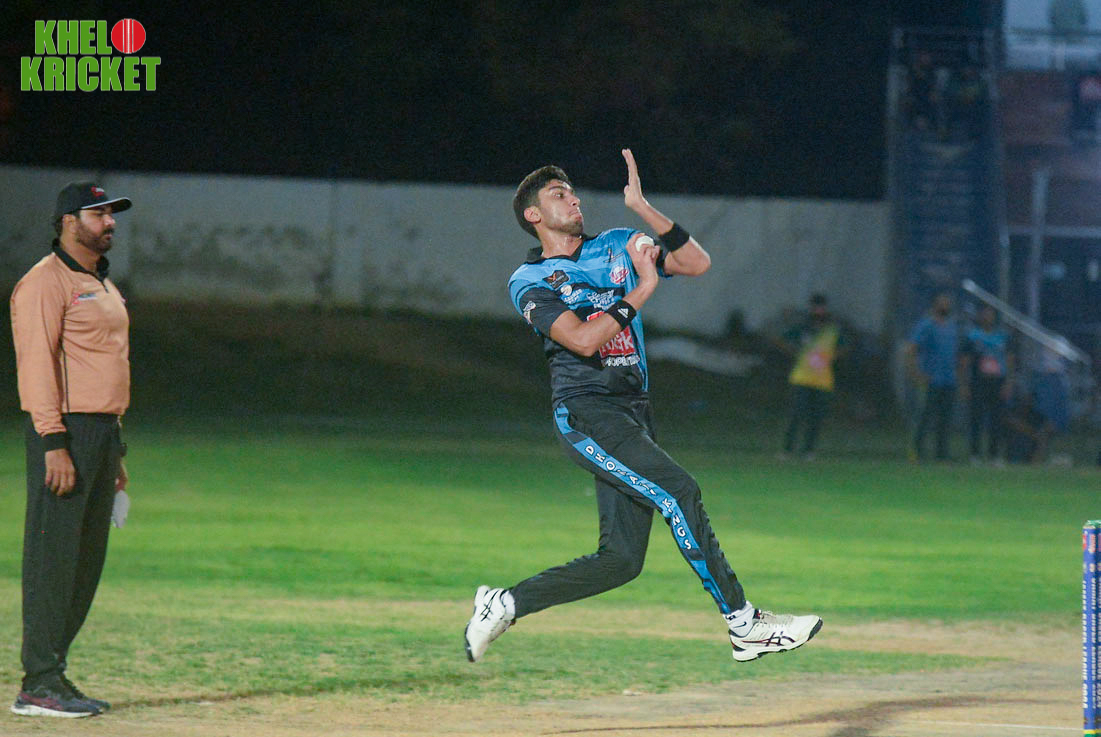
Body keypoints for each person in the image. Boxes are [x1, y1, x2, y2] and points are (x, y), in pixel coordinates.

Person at [464, 150, 821, 665]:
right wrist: (643, 289)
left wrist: (644, 209)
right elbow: (582, 340)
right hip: (586, 412)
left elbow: (696, 263)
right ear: (533, 215)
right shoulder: (530, 280)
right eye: (559, 194)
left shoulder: (615, 244)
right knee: (680, 490)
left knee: (622, 561)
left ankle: (506, 603)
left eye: (573, 192)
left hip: (633, 411)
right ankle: (745, 625)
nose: (574, 200)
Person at [9, 182, 132, 718]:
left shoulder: (99, 283)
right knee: (52, 559)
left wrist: (116, 450)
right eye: (99, 213)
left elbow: (106, 365)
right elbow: (36, 365)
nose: (110, 222)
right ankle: (37, 683)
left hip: (101, 434)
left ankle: (53, 673)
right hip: (67, 432)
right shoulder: (44, 282)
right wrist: (53, 442)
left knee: (84, 563)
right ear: (68, 221)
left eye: (112, 214)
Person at [776, 293, 846, 461]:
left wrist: (832, 356)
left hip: (823, 380)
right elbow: (781, 339)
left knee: (816, 417)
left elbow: (845, 346)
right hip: (801, 378)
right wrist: (793, 352)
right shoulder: (803, 327)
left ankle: (809, 450)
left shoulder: (832, 329)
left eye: (821, 307)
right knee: (796, 415)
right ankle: (787, 449)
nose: (818, 311)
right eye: (816, 307)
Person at [905, 293, 962, 461]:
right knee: (925, 417)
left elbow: (955, 354)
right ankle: (917, 451)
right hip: (932, 379)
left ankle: (942, 454)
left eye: (947, 303)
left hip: (949, 380)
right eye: (942, 303)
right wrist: (915, 373)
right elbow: (912, 348)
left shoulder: (952, 327)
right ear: (935, 305)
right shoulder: (926, 325)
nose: (945, 306)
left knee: (945, 419)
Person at [960, 305, 1014, 464]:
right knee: (976, 418)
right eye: (985, 314)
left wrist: (1008, 383)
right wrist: (964, 384)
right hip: (978, 381)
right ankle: (975, 454)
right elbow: (964, 361)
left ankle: (994, 454)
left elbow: (1010, 361)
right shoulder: (972, 336)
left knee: (996, 420)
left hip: (997, 382)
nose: (987, 318)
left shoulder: (1003, 337)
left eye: (990, 315)